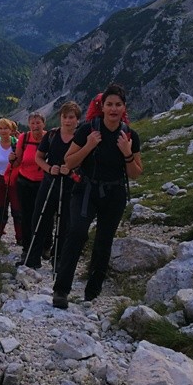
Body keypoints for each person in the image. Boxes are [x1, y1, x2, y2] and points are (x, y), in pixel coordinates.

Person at [52, 84, 143, 309]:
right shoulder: (87, 130)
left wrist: (127, 153)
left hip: (115, 193)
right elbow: (69, 161)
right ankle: (61, 290)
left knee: (104, 241)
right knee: (77, 232)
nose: (113, 109)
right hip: (86, 190)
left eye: (118, 105)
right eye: (109, 104)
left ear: (124, 108)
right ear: (102, 107)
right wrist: (89, 146)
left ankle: (92, 293)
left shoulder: (130, 136)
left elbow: (135, 174)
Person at [24, 102, 81, 269]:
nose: (67, 121)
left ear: (77, 119)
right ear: (60, 118)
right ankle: (33, 258)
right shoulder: (52, 135)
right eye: (65, 117)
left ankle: (59, 259)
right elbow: (38, 157)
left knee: (65, 223)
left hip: (70, 185)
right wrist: (50, 168)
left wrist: (71, 169)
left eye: (71, 117)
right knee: (39, 219)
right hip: (50, 182)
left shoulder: (81, 138)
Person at [14, 112, 46, 263]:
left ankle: (45, 246)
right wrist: (12, 159)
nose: (35, 126)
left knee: (43, 216)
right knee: (26, 216)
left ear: (43, 124)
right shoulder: (24, 138)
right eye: (32, 123)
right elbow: (17, 160)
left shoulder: (49, 138)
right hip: (24, 181)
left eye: (38, 123)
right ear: (29, 125)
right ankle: (27, 248)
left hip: (43, 182)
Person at [0, 118, 22, 242]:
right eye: (0, 128)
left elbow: (20, 163)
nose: (3, 131)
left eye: (5, 128)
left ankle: (20, 236)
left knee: (17, 208)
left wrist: (15, 159)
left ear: (11, 130)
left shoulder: (17, 143)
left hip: (14, 180)